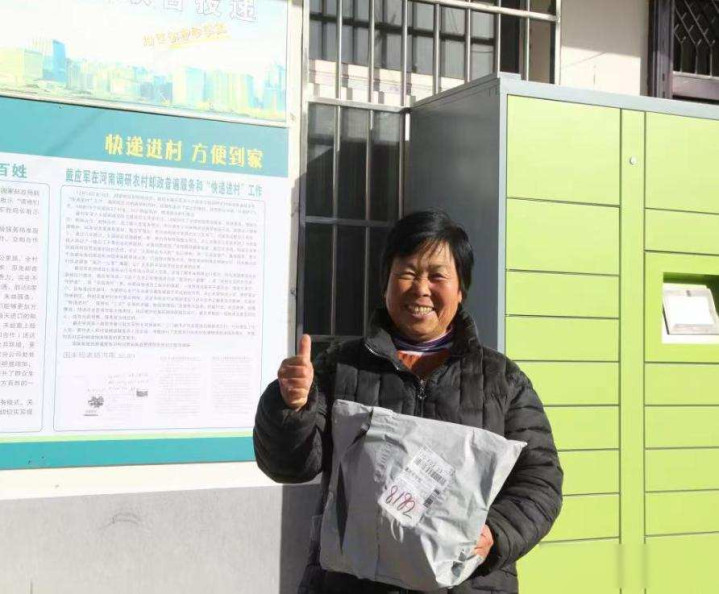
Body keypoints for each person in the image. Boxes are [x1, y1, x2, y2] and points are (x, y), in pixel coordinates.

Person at [254, 210, 563, 594]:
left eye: (437, 276)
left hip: (469, 583)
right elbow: (290, 465)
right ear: (386, 283)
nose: (421, 289)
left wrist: (494, 534)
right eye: (408, 273)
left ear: (461, 289)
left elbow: (540, 481)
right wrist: (290, 407)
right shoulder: (340, 367)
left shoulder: (502, 380)